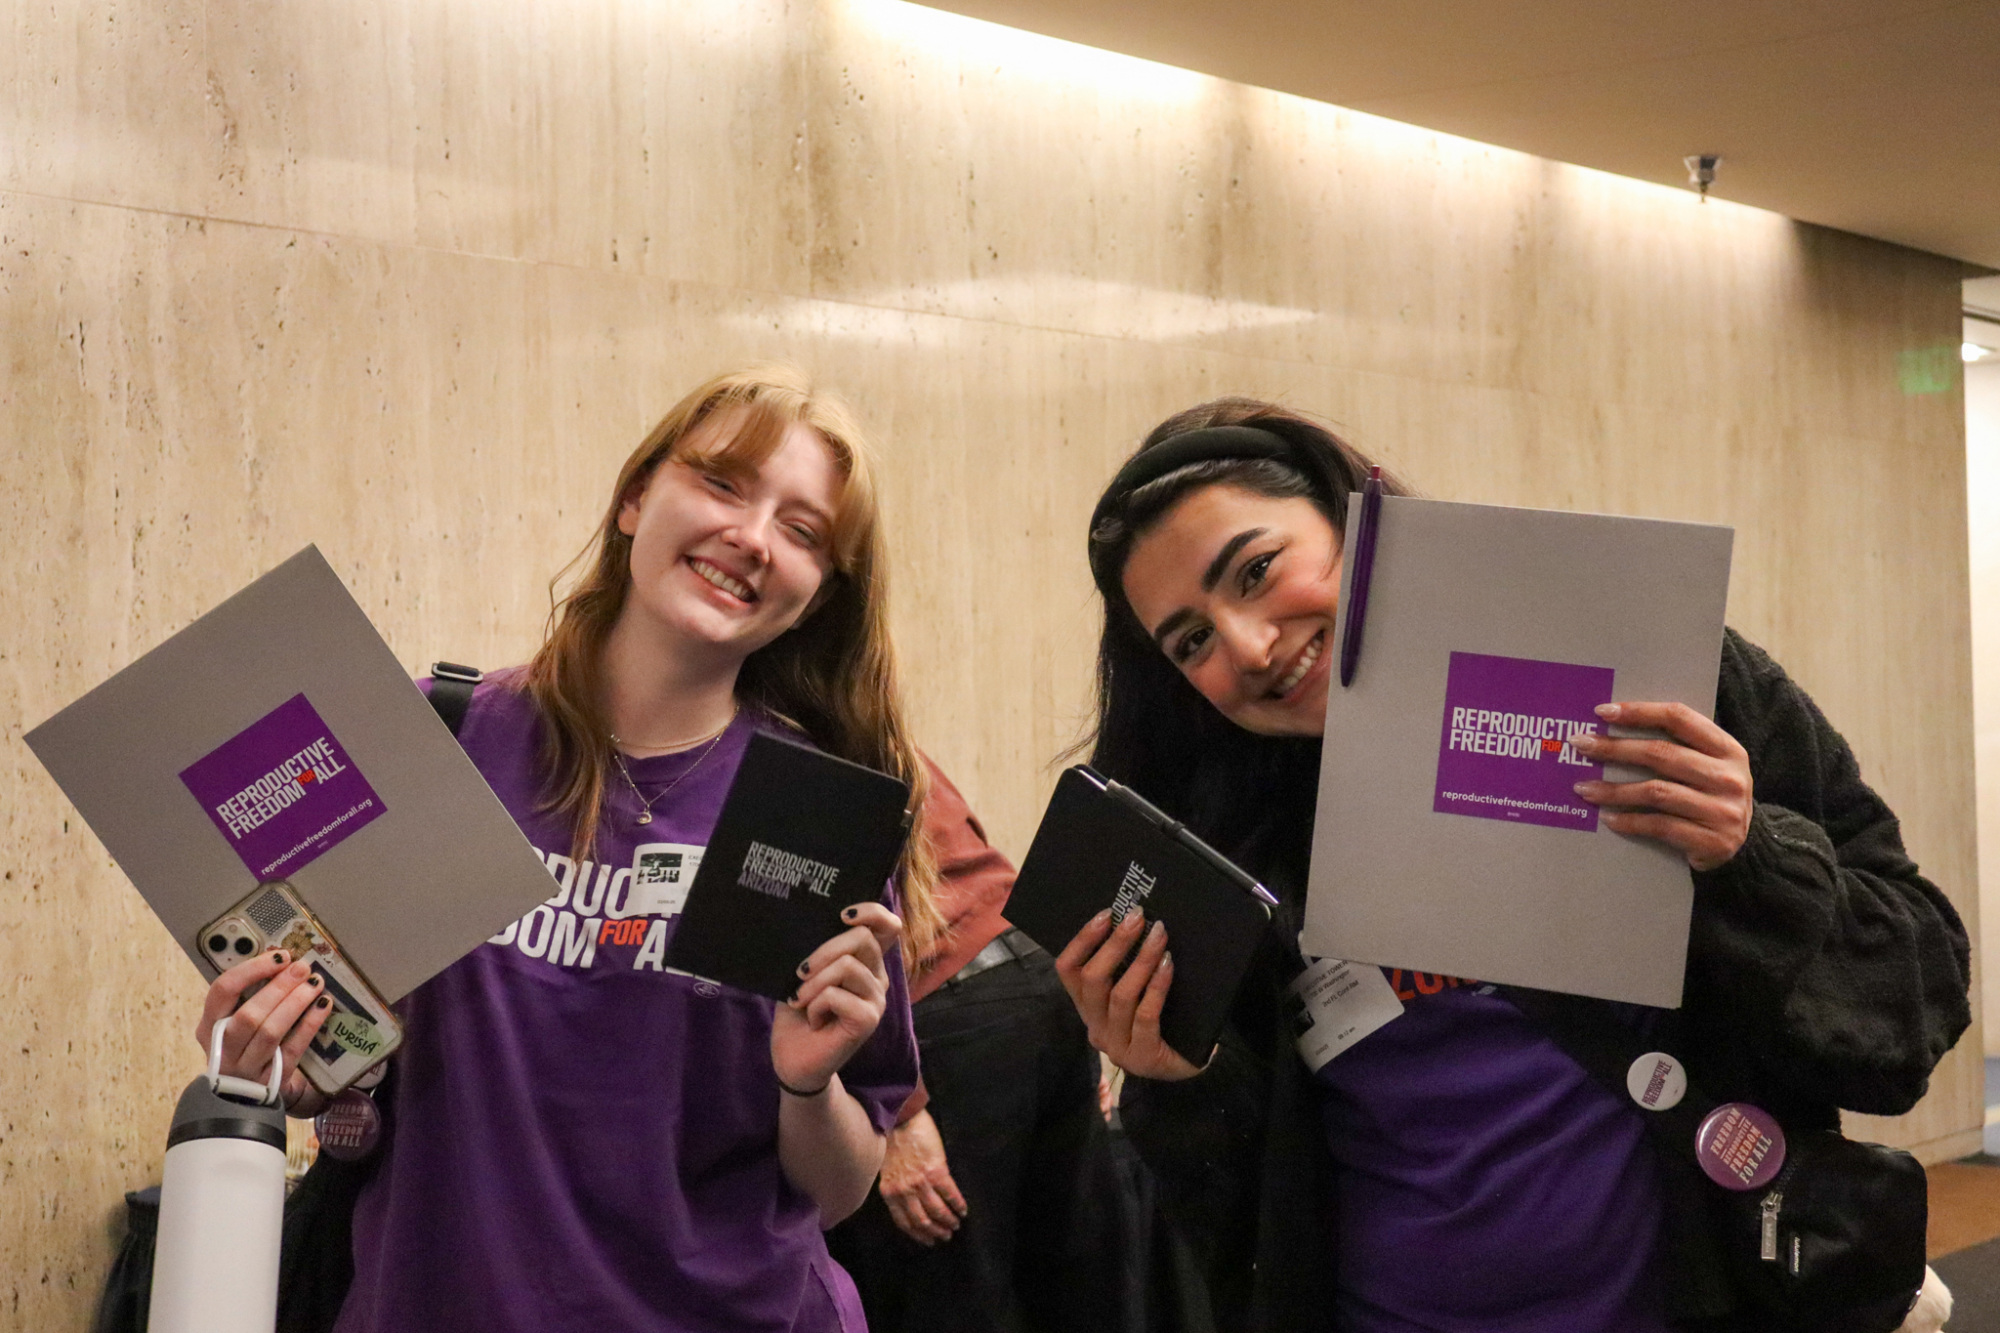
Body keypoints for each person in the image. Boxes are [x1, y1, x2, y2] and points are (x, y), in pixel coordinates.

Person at [1055, 398, 1971, 1333]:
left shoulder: (1649, 678)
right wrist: (1173, 1079)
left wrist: (1753, 856)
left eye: (1257, 569)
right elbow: (1243, 1226)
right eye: (1193, 640)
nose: (1248, 646)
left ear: (1355, 516)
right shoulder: (1224, 849)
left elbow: (1916, 1008)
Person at [191, 365, 940, 1333]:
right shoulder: (440, 738)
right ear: (635, 497)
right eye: (720, 482)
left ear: (814, 596)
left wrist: (805, 1078)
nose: (750, 538)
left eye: (801, 532)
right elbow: (346, 1092)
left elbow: (836, 1192)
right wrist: (300, 1057)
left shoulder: (811, 814)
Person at [825, 758, 1131, 1333]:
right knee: (1078, 1290)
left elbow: (818, 929)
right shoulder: (871, 724)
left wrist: (898, 1108)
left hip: (942, 1014)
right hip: (1034, 978)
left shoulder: (762, 728)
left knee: (960, 1302)